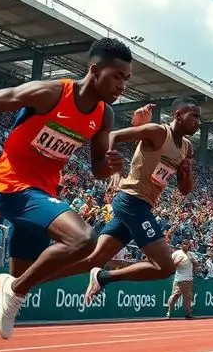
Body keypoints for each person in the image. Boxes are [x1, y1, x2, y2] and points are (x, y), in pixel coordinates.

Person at [0, 38, 132, 339]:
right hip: (11, 183)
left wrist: (113, 165)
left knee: (23, 273)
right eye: (117, 76)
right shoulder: (51, 93)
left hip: (43, 194)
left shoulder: (104, 115)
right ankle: (15, 290)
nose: (122, 85)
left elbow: (97, 169)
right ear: (95, 70)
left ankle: (11, 286)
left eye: (127, 79)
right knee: (84, 239)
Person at [76, 97, 200, 301]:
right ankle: (103, 277)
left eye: (199, 118)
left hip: (142, 205)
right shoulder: (158, 132)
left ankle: (32, 279)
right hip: (131, 201)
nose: (198, 122)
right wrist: (113, 170)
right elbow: (113, 135)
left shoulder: (187, 148)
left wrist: (186, 173)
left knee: (94, 258)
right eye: (194, 116)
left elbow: (185, 190)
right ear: (178, 115)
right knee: (165, 266)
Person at [166, 239, 200, 319]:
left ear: (189, 245)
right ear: (181, 245)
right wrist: (177, 262)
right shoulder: (176, 253)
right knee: (175, 295)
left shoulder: (192, 254)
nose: (186, 245)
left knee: (188, 297)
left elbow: (196, 266)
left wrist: (194, 262)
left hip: (188, 279)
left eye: (187, 244)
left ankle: (188, 314)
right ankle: (169, 312)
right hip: (178, 279)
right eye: (184, 244)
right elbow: (170, 266)